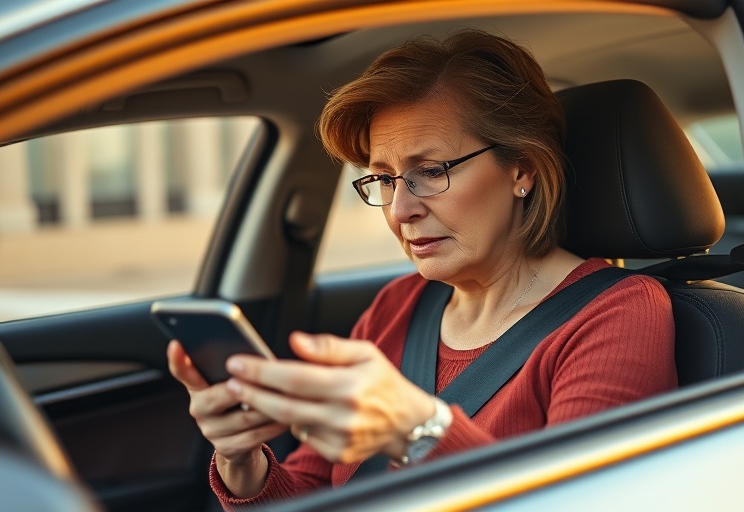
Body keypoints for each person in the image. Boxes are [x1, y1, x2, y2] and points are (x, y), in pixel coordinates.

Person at [167, 29, 677, 508]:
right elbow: (313, 489)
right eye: (384, 179)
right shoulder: (397, 306)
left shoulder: (618, 314)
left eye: (430, 172)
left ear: (522, 169)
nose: (398, 209)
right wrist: (243, 460)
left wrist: (420, 432)